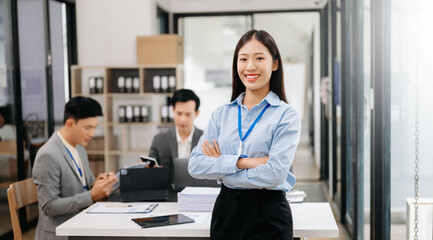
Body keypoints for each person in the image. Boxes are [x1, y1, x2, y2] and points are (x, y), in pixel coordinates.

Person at [188, 29, 301, 240]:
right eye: (243, 59)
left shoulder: (287, 115)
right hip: (225, 213)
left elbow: (275, 174)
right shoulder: (221, 115)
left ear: (274, 64)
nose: (250, 66)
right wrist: (244, 163)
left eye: (259, 58)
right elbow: (195, 165)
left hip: (268, 215)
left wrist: (222, 166)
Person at [32, 96, 118, 240]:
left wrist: (97, 183)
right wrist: (91, 196)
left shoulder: (78, 148)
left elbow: (86, 182)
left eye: (94, 128)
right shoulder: (48, 155)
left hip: (80, 225)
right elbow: (49, 206)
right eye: (88, 128)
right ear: (70, 123)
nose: (92, 134)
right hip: (60, 234)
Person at [149, 89, 203, 184]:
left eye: (187, 114)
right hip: (168, 194)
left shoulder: (206, 140)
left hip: (197, 194)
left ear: (197, 113)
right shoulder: (159, 140)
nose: (182, 119)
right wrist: (148, 168)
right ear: (173, 110)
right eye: (179, 113)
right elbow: (150, 170)